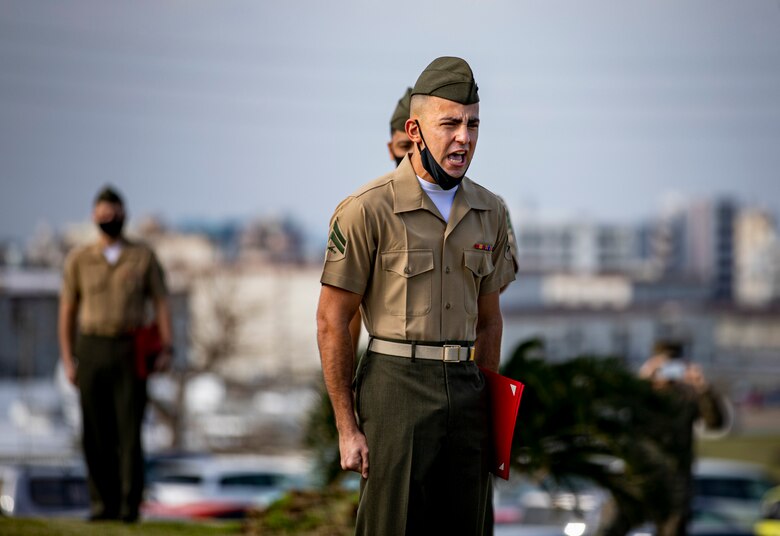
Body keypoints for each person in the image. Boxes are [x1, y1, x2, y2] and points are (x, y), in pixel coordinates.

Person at [317, 57, 516, 535]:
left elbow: (490, 321)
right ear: (415, 129)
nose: (463, 138)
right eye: (449, 124)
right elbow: (331, 320)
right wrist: (347, 427)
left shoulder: (492, 212)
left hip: (468, 387)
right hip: (395, 388)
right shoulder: (366, 209)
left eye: (472, 125)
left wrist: (490, 412)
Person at [58, 186, 173, 522]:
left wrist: (166, 347)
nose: (110, 220)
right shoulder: (79, 259)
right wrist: (68, 358)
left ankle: (128, 505)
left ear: (125, 215)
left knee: (129, 429)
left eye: (115, 213)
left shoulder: (142, 256)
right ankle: (100, 503)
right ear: (94, 217)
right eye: (104, 214)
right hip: (92, 345)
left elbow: (162, 303)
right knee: (95, 432)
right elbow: (67, 311)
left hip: (129, 347)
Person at [603, 341, 725, 536]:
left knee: (672, 529)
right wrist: (639, 382)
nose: (668, 372)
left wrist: (703, 388)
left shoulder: (688, 396)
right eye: (663, 365)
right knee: (610, 527)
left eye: (673, 366)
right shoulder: (640, 393)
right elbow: (615, 414)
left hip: (675, 482)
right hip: (638, 477)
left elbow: (715, 423)